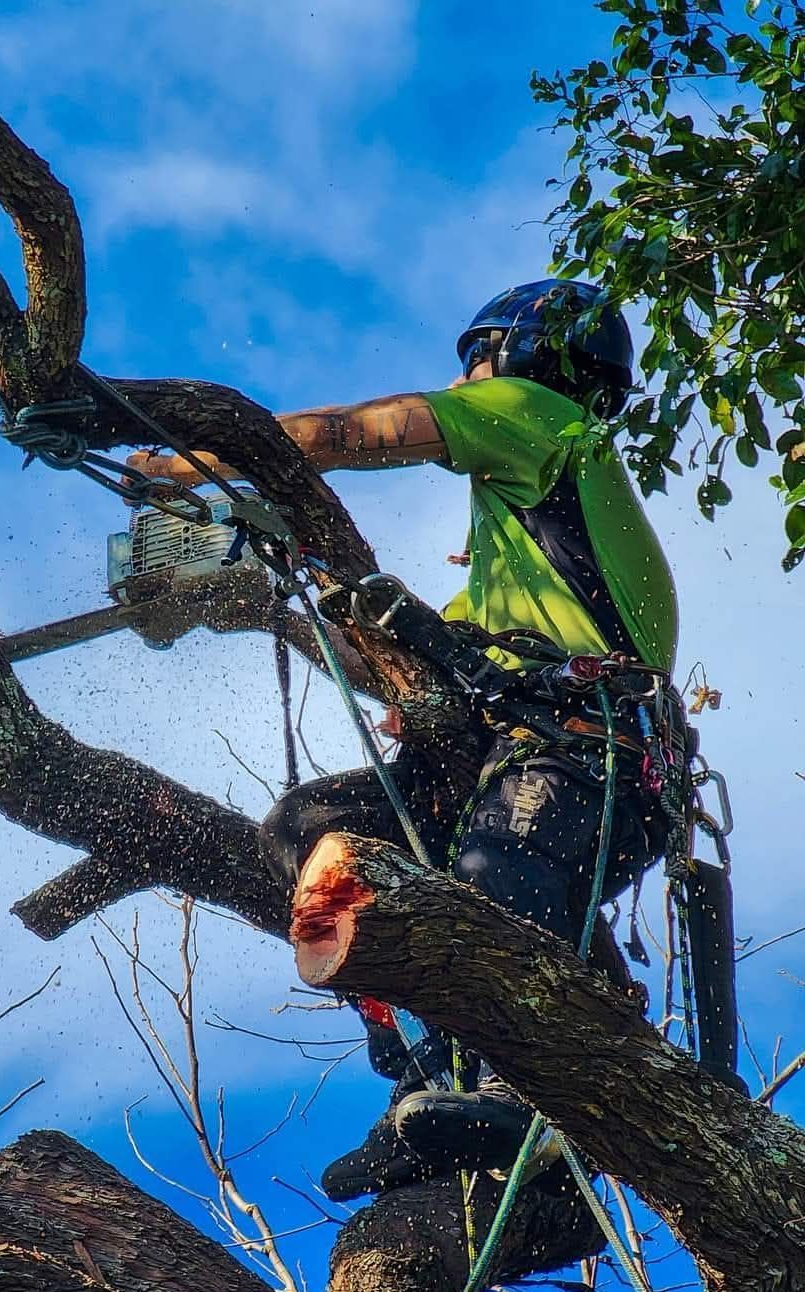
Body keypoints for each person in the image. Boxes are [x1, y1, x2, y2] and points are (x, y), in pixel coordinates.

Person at [127, 279, 680, 1198]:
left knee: (495, 877)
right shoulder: (512, 583)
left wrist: (175, 466)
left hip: (587, 757)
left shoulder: (544, 418)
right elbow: (407, 650)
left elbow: (353, 431)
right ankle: (427, 1072)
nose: (465, 378)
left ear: (527, 355)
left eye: (478, 358)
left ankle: (526, 1090)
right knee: (311, 828)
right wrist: (229, 594)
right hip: (507, 759)